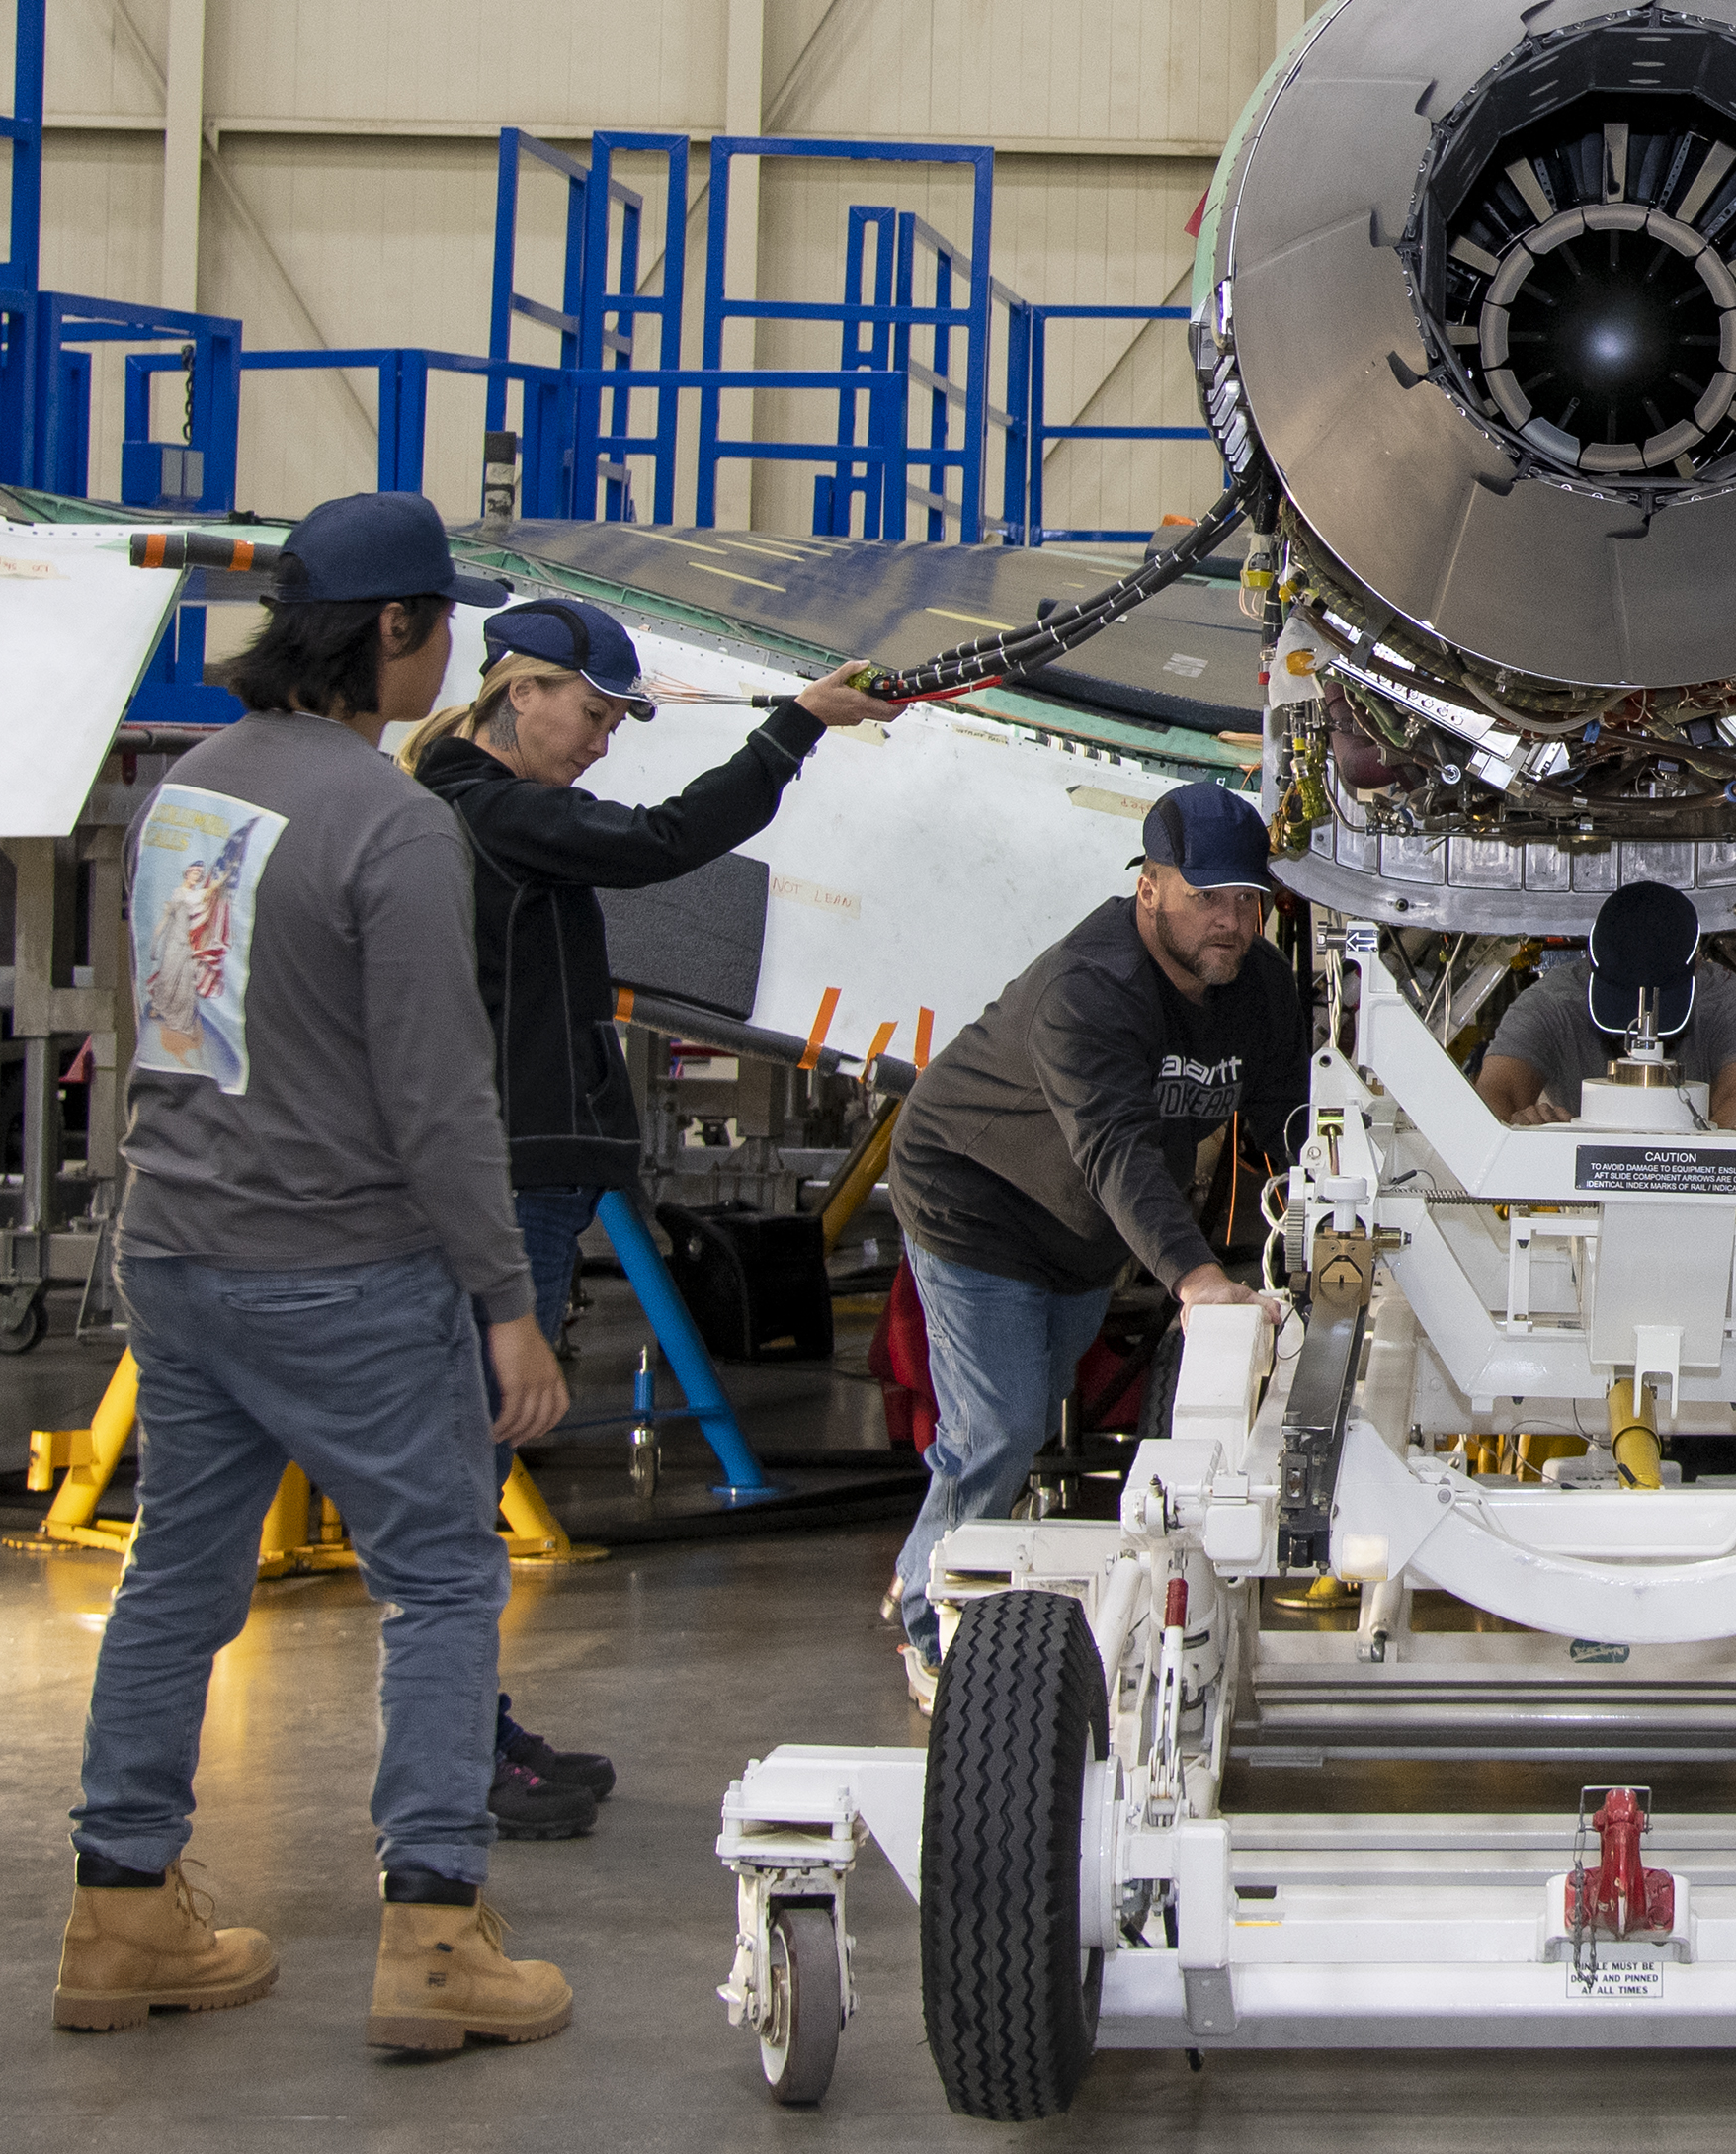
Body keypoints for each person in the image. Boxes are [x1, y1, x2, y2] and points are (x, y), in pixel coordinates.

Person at [54, 492, 570, 2061]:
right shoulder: (396, 819)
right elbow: (435, 1092)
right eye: (444, 621)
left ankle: (119, 1909)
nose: (456, 651)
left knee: (176, 1577)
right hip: (343, 1264)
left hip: (181, 1250)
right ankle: (432, 1930)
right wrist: (505, 1298)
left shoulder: (189, 790)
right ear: (395, 628)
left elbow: (166, 1014)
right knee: (440, 1577)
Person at [407, 589, 891, 1839]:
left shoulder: (485, 810)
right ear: (520, 692)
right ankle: (454, 1761)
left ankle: (468, 1736)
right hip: (509, 1177)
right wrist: (795, 728)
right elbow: (666, 842)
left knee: (475, 1472)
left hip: (534, 1169)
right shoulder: (486, 809)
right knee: (465, 1481)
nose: (603, 738)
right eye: (593, 712)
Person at [881, 782, 1311, 1702]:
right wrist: (1196, 1279)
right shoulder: (1092, 984)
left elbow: (1284, 1119)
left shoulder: (1259, 983)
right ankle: (927, 1623)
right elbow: (1114, 1142)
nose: (1232, 922)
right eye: (1208, 899)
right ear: (1149, 886)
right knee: (995, 1423)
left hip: (1082, 1223)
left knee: (1030, 1412)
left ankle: (949, 1552)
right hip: (976, 1195)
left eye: (1249, 901)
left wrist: (1312, 1222)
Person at [1480, 913, 1736, 1130]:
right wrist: (1524, 1132)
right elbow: (1491, 1101)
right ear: (1594, 961)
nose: (1643, 1014)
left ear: (1696, 962)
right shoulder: (1551, 1004)